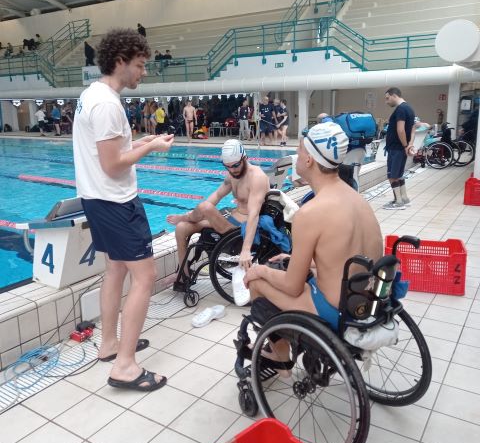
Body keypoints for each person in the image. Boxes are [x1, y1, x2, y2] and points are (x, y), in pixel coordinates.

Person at [72, 27, 174, 392]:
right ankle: (125, 367)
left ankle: (110, 345)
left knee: (115, 270)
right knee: (144, 277)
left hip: (97, 199)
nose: (143, 73)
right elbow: (113, 165)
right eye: (140, 65)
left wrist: (142, 141)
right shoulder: (107, 104)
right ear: (120, 62)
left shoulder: (92, 95)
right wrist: (151, 149)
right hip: (116, 201)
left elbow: (111, 153)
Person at [243, 122, 382, 355]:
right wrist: (295, 257)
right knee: (298, 270)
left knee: (257, 282)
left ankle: (280, 358)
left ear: (309, 160)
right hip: (366, 301)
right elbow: (344, 256)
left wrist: (259, 271)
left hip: (335, 311)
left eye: (298, 152)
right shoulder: (357, 200)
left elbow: (293, 287)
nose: (296, 157)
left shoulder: (309, 213)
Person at [167, 139, 270, 288]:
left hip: (240, 231)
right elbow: (217, 195)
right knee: (182, 228)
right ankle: (183, 275)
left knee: (205, 208)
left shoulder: (257, 177)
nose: (233, 170)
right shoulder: (232, 175)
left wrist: (246, 249)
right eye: (228, 167)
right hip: (231, 221)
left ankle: (186, 216)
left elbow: (254, 215)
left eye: (236, 165)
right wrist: (200, 213)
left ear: (244, 158)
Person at [383, 87, 415, 210]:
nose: (387, 102)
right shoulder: (409, 108)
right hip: (400, 147)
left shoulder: (401, 109)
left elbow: (400, 129)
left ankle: (398, 202)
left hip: (396, 148)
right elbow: (413, 128)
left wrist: (405, 145)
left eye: (387, 98)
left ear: (394, 95)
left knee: (392, 175)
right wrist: (409, 145)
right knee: (399, 174)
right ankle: (404, 199)